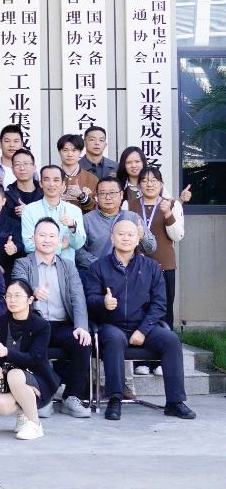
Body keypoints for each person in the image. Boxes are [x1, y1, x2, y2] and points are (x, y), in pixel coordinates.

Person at [85, 219, 196, 421]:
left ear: (138, 239)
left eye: (130, 235)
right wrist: (103, 302)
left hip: (143, 326)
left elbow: (160, 303)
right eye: (121, 234)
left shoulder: (151, 267)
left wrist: (143, 330)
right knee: (114, 339)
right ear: (112, 238)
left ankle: (175, 402)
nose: (126, 238)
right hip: (111, 325)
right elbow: (89, 299)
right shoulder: (98, 267)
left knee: (171, 340)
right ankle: (115, 398)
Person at [12, 217, 94, 418]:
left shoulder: (68, 266)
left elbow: (78, 297)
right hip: (34, 325)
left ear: (59, 241)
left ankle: (71, 397)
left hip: (61, 324)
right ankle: (43, 397)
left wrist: (81, 326)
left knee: (82, 342)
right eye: (42, 235)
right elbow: (17, 289)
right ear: (33, 239)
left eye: (52, 236)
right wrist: (33, 292)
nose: (47, 240)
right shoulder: (22, 263)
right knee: (35, 348)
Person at [0, 279, 58, 440]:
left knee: (15, 375)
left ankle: (35, 425)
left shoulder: (42, 326)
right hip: (10, 379)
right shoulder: (0, 322)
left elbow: (34, 358)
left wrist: (6, 352)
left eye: (18, 295)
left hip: (36, 377)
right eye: (9, 296)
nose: (12, 300)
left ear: (30, 299)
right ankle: (24, 415)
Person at [129, 166, 185, 333]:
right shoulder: (129, 204)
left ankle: (166, 340)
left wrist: (167, 213)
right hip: (136, 265)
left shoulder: (173, 204)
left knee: (164, 306)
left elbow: (177, 236)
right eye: (145, 181)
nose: (149, 184)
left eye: (154, 180)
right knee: (138, 305)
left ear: (161, 184)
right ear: (139, 184)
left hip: (164, 265)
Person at [77, 176, 155, 275]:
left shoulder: (133, 217)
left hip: (129, 275)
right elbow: (78, 250)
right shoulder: (86, 220)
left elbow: (151, 248)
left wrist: (143, 236)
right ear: (96, 196)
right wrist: (101, 266)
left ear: (121, 195)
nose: (108, 197)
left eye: (113, 193)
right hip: (97, 275)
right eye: (103, 193)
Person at [20, 165, 86, 266]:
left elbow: (78, 245)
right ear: (41, 183)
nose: (51, 184)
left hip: (66, 268)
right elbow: (28, 245)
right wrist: (61, 246)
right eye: (46, 180)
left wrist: (72, 226)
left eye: (56, 180)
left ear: (63, 184)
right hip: (38, 267)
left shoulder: (74, 210)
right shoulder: (29, 210)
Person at [57, 134, 98, 212]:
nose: (70, 154)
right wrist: (56, 199)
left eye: (74, 150)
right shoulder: (51, 178)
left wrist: (82, 196)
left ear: (80, 152)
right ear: (59, 152)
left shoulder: (92, 179)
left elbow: (98, 208)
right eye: (65, 150)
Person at [4, 149, 44, 214]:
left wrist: (28, 212)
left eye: (26, 164)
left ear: (34, 168)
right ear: (12, 170)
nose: (22, 168)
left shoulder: (44, 193)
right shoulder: (7, 195)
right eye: (17, 164)